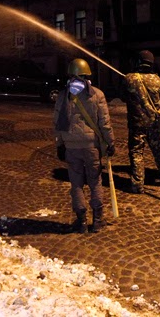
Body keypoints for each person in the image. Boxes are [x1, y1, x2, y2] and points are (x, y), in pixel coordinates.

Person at [53, 58, 115, 234]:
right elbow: (105, 123)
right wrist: (110, 143)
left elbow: (57, 123)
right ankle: (97, 220)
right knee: (95, 182)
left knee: (76, 184)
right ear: (87, 74)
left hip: (71, 147)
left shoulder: (63, 95)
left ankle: (81, 221)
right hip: (91, 146)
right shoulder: (97, 94)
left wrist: (59, 144)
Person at [121, 50, 160, 193]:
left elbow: (123, 96)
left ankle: (137, 184)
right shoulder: (157, 79)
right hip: (154, 123)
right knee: (159, 150)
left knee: (137, 152)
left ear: (138, 62)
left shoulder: (129, 78)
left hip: (137, 124)